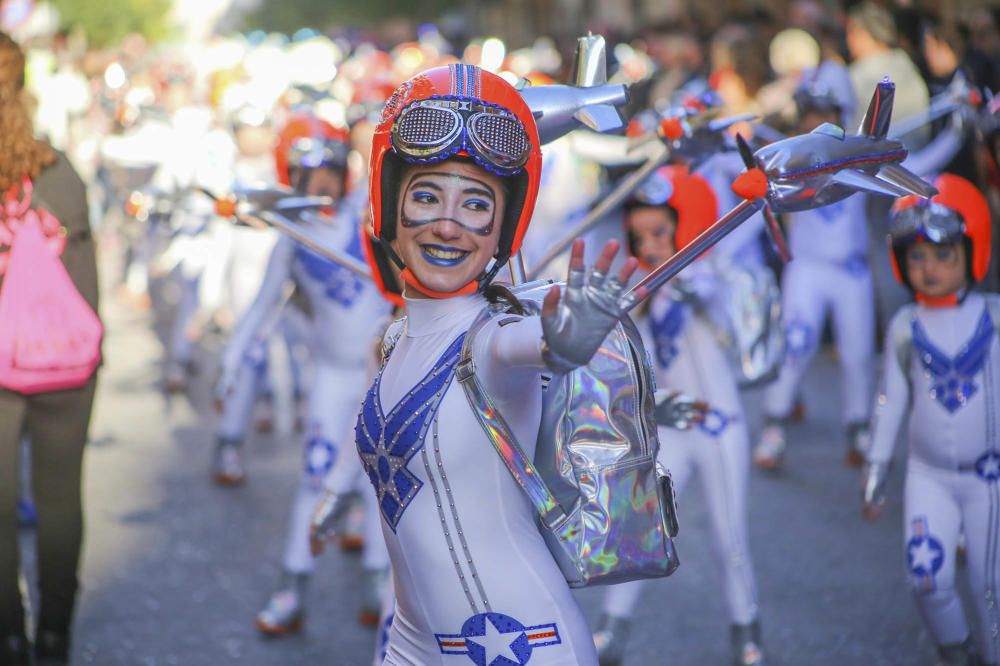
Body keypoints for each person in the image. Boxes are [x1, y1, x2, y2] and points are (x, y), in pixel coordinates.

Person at [312, 63, 644, 665]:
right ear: (389, 204)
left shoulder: (491, 338)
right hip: (412, 642)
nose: (447, 223)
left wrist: (566, 338)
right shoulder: (390, 342)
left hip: (524, 647)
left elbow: (533, 346)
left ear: (502, 229)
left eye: (475, 204)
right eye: (426, 195)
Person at [212, 111, 393, 635]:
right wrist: (229, 359)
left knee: (384, 488)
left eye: (330, 172)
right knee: (314, 480)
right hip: (334, 381)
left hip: (385, 378)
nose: (321, 186)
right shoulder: (290, 239)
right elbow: (260, 308)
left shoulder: (372, 215)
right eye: (309, 174)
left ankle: (379, 586)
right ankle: (293, 587)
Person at [593, 167, 763, 666]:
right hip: (671, 428)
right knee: (638, 530)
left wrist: (698, 289)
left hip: (719, 426)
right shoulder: (641, 286)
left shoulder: (706, 277)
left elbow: (733, 324)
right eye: (639, 236)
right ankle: (612, 627)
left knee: (730, 538)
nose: (649, 245)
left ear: (684, 226)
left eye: (660, 233)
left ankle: (745, 627)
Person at [862, 174, 999, 666]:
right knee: (926, 577)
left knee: (992, 586)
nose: (930, 268)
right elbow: (890, 400)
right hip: (927, 475)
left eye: (944, 255)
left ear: (973, 249)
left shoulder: (994, 319)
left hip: (990, 476)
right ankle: (955, 647)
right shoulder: (905, 327)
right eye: (916, 256)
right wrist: (877, 467)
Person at [0, 32, 100, 666]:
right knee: (63, 502)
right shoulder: (60, 171)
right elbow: (89, 283)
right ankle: (55, 639)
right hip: (67, 362)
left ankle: (9, 638)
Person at [753, 69, 875, 470]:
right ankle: (774, 423)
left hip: (851, 271)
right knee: (795, 347)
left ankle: (860, 425)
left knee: (857, 352)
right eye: (810, 111)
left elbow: (919, 164)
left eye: (827, 111)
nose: (816, 121)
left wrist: (956, 136)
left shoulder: (862, 159)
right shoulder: (784, 158)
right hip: (805, 269)